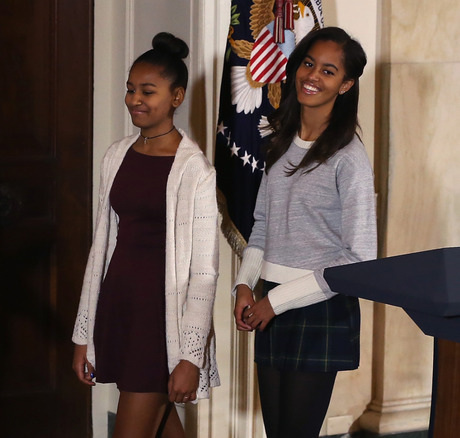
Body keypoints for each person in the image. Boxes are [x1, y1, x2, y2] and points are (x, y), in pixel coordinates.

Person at [71, 32, 220, 438]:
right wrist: (84, 333)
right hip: (121, 308)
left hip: (161, 321)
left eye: (148, 91)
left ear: (176, 97)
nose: (135, 99)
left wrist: (190, 355)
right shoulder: (117, 154)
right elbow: (100, 249)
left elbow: (205, 273)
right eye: (131, 89)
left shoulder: (196, 172)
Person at [232, 27, 376, 437]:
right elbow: (262, 225)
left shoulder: (349, 159)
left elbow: (358, 257)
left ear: (346, 84)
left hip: (318, 307)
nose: (312, 76)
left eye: (329, 71)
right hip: (270, 304)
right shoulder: (279, 141)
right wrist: (245, 285)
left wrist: (275, 302)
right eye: (309, 63)